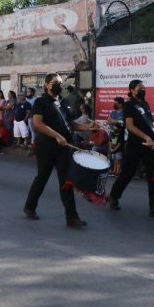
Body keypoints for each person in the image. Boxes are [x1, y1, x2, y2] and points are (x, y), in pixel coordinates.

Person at [23, 73, 99, 228]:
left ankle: (71, 217)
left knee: (66, 181)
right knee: (42, 177)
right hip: (46, 147)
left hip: (64, 147)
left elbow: (71, 124)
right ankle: (30, 207)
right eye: (55, 82)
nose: (59, 85)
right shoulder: (41, 102)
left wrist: (88, 127)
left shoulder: (63, 102)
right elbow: (37, 124)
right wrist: (56, 135)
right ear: (46, 85)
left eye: (60, 82)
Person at [108, 79, 154, 218]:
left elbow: (150, 126)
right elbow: (130, 126)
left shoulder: (145, 104)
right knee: (128, 173)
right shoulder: (128, 105)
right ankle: (114, 196)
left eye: (143, 86)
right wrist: (146, 137)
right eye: (140, 87)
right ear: (132, 90)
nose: (143, 88)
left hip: (149, 144)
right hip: (135, 144)